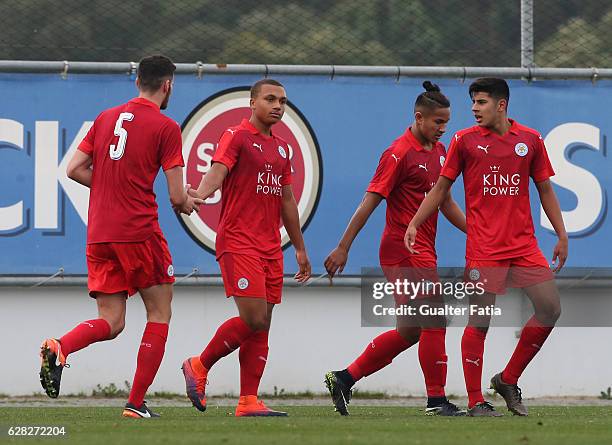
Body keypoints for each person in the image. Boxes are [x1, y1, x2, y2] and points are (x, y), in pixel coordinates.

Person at [39, 54, 202, 419]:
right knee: (159, 313)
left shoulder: (106, 117)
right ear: (168, 85)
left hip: (100, 233)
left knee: (112, 321)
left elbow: (74, 168)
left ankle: (60, 346)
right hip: (139, 231)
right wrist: (188, 202)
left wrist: (113, 187)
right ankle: (135, 403)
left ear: (137, 82)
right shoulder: (166, 127)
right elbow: (177, 197)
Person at [405, 77, 567, 417]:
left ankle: (507, 379)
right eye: (473, 103)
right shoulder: (464, 141)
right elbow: (440, 190)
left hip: (524, 245)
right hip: (485, 248)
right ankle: (476, 399)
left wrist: (561, 234)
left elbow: (546, 190)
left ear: (501, 105)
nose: (475, 109)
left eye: (481, 103)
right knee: (480, 322)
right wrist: (416, 222)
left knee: (550, 309)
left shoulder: (530, 140)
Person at [323, 81, 467, 416]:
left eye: (447, 123)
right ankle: (436, 400)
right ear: (419, 118)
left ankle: (344, 378)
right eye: (437, 123)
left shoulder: (440, 151)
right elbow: (368, 202)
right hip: (402, 249)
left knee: (409, 331)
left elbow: (445, 202)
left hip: (422, 249)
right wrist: (343, 247)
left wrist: (476, 232)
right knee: (435, 317)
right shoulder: (398, 153)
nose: (443, 129)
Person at [181, 79, 312, 417]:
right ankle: (199, 363)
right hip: (239, 242)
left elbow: (287, 200)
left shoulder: (283, 149)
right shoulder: (236, 136)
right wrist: (200, 193)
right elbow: (217, 172)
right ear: (252, 103)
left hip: (270, 247)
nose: (278, 106)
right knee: (253, 317)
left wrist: (299, 247)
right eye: (270, 99)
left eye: (282, 101)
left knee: (263, 322)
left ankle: (248, 401)